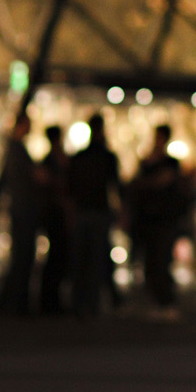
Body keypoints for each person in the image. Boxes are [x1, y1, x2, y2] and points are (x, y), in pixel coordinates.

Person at [128, 123, 188, 321]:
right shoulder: (148, 161)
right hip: (148, 219)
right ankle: (156, 300)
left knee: (162, 261)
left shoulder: (170, 163)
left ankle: (167, 300)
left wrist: (146, 183)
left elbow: (160, 181)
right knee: (150, 261)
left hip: (165, 220)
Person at [68, 113, 120, 318]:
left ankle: (79, 302)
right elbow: (115, 187)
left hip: (84, 212)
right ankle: (92, 303)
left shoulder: (80, 158)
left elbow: (70, 189)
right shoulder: (107, 157)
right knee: (95, 260)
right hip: (98, 212)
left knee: (80, 260)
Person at [0, 113, 38, 316]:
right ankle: (15, 302)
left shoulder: (13, 149)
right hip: (23, 208)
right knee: (23, 257)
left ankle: (8, 301)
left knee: (20, 257)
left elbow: (3, 180)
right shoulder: (17, 150)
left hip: (19, 208)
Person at [37, 125, 70, 316]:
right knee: (57, 257)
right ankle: (50, 301)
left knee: (57, 257)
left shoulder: (50, 160)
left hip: (54, 213)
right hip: (56, 214)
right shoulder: (54, 161)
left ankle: (50, 299)